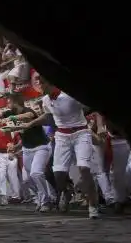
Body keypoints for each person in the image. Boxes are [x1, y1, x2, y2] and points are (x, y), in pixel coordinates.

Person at [16, 74, 101, 219]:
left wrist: (99, 128)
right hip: (62, 135)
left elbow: (94, 107)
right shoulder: (46, 100)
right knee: (58, 174)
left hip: (81, 132)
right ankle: (66, 192)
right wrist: (30, 124)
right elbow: (48, 116)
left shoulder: (70, 96)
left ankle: (93, 205)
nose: (39, 86)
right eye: (38, 83)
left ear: (51, 84)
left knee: (84, 168)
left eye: (42, 83)